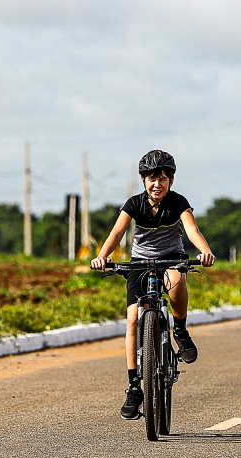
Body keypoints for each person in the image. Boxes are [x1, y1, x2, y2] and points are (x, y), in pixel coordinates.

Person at [90, 150, 216, 420]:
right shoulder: (134, 204)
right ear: (143, 181)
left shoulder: (178, 203)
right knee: (132, 320)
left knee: (177, 278)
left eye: (162, 179)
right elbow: (117, 232)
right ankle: (135, 387)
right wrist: (102, 256)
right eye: (151, 179)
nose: (157, 184)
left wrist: (205, 251)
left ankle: (179, 330)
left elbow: (192, 230)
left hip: (171, 259)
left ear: (171, 180)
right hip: (140, 263)